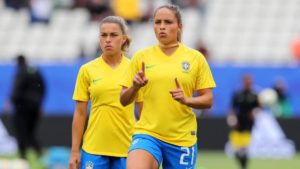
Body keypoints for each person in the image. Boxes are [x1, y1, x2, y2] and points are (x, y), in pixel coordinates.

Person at [120, 4, 216, 169]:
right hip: (148, 134)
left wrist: (187, 100)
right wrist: (135, 87)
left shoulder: (195, 58)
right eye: (157, 22)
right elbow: (123, 100)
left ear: (179, 27)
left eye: (168, 22)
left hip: (182, 138)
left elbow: (208, 100)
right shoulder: (141, 57)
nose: (162, 27)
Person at [69, 16, 142, 169]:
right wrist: (75, 151)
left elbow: (144, 114)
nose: (108, 39)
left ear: (123, 39)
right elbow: (80, 113)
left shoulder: (134, 69)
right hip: (93, 148)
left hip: (127, 148)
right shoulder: (87, 70)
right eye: (103, 35)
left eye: (113, 35)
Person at [10, 54, 45, 159]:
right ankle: (40, 154)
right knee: (30, 132)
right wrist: (39, 102)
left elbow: (17, 89)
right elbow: (43, 87)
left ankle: (23, 156)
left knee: (21, 132)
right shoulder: (35, 71)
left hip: (22, 107)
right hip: (35, 107)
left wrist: (13, 100)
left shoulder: (21, 72)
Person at [227, 74, 260, 169]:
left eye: (250, 81)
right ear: (243, 81)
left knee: (244, 150)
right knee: (237, 152)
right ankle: (242, 165)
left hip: (248, 125)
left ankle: (244, 166)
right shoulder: (238, 94)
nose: (248, 82)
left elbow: (258, 108)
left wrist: (255, 113)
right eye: (246, 80)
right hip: (237, 125)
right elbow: (232, 108)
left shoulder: (255, 95)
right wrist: (232, 118)